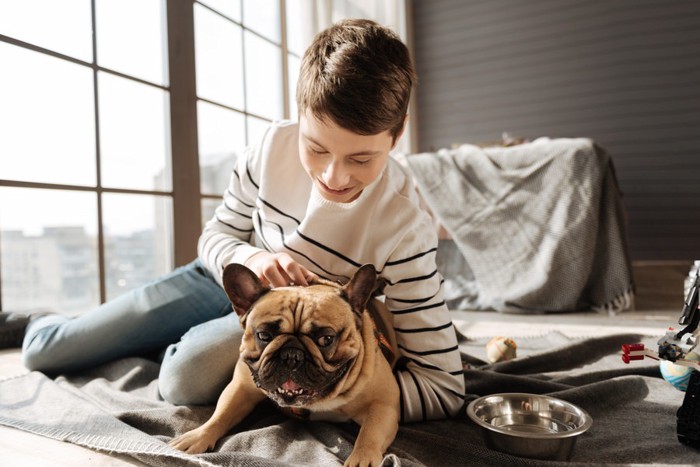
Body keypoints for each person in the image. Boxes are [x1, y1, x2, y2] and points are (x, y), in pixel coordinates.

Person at [0, 19, 465, 422]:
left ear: (397, 132)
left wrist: (340, 397)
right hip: (221, 281)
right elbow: (217, 235)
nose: (333, 176)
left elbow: (444, 388)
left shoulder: (404, 229)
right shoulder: (269, 147)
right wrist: (252, 256)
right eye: (316, 148)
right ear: (298, 113)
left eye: (361, 158)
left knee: (183, 379)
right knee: (46, 351)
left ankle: (169, 344)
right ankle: (39, 321)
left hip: (291, 329)